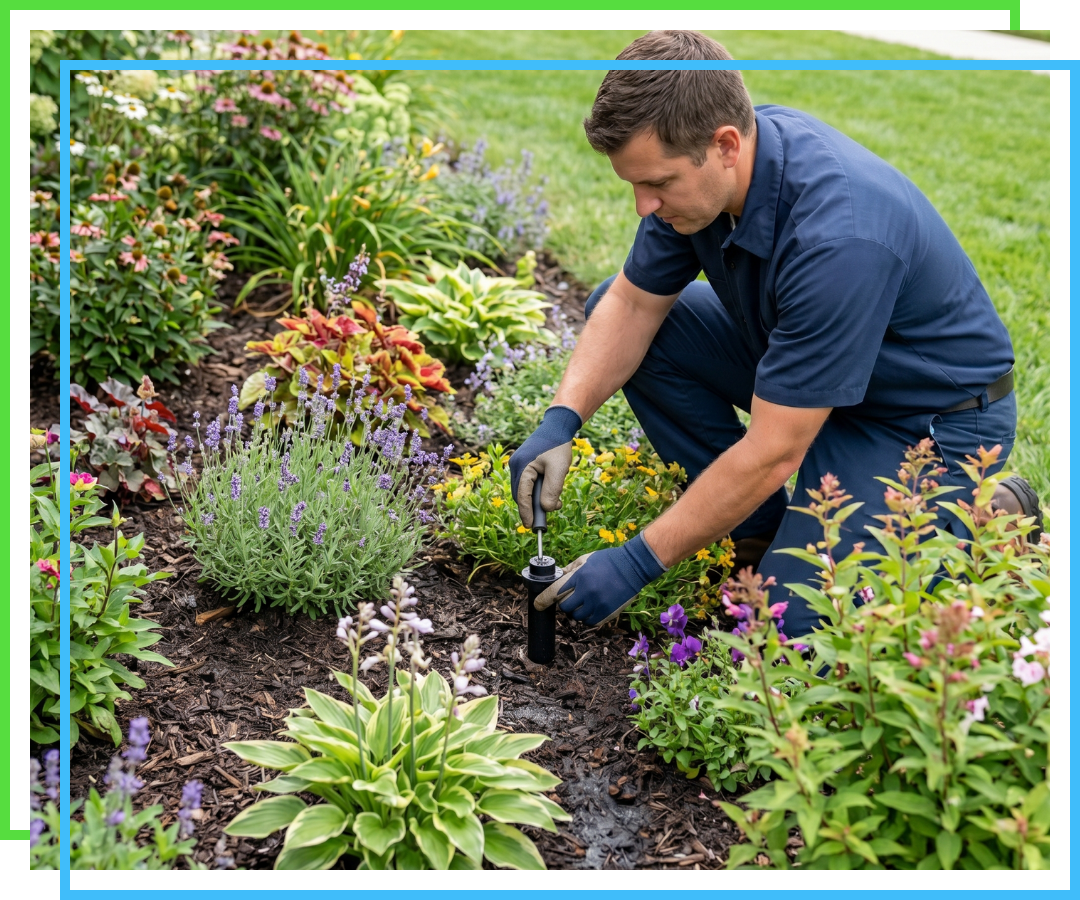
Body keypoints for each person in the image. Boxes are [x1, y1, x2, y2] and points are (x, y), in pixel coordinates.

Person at [509, 30, 1041, 636]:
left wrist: (635, 562)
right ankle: (756, 531)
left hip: (923, 421)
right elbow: (631, 305)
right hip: (807, 374)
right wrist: (561, 420)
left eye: (656, 183)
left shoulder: (840, 235)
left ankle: (980, 519)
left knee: (798, 635)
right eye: (634, 183)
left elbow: (773, 449)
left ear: (726, 145)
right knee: (628, 313)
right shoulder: (702, 182)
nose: (642, 206)